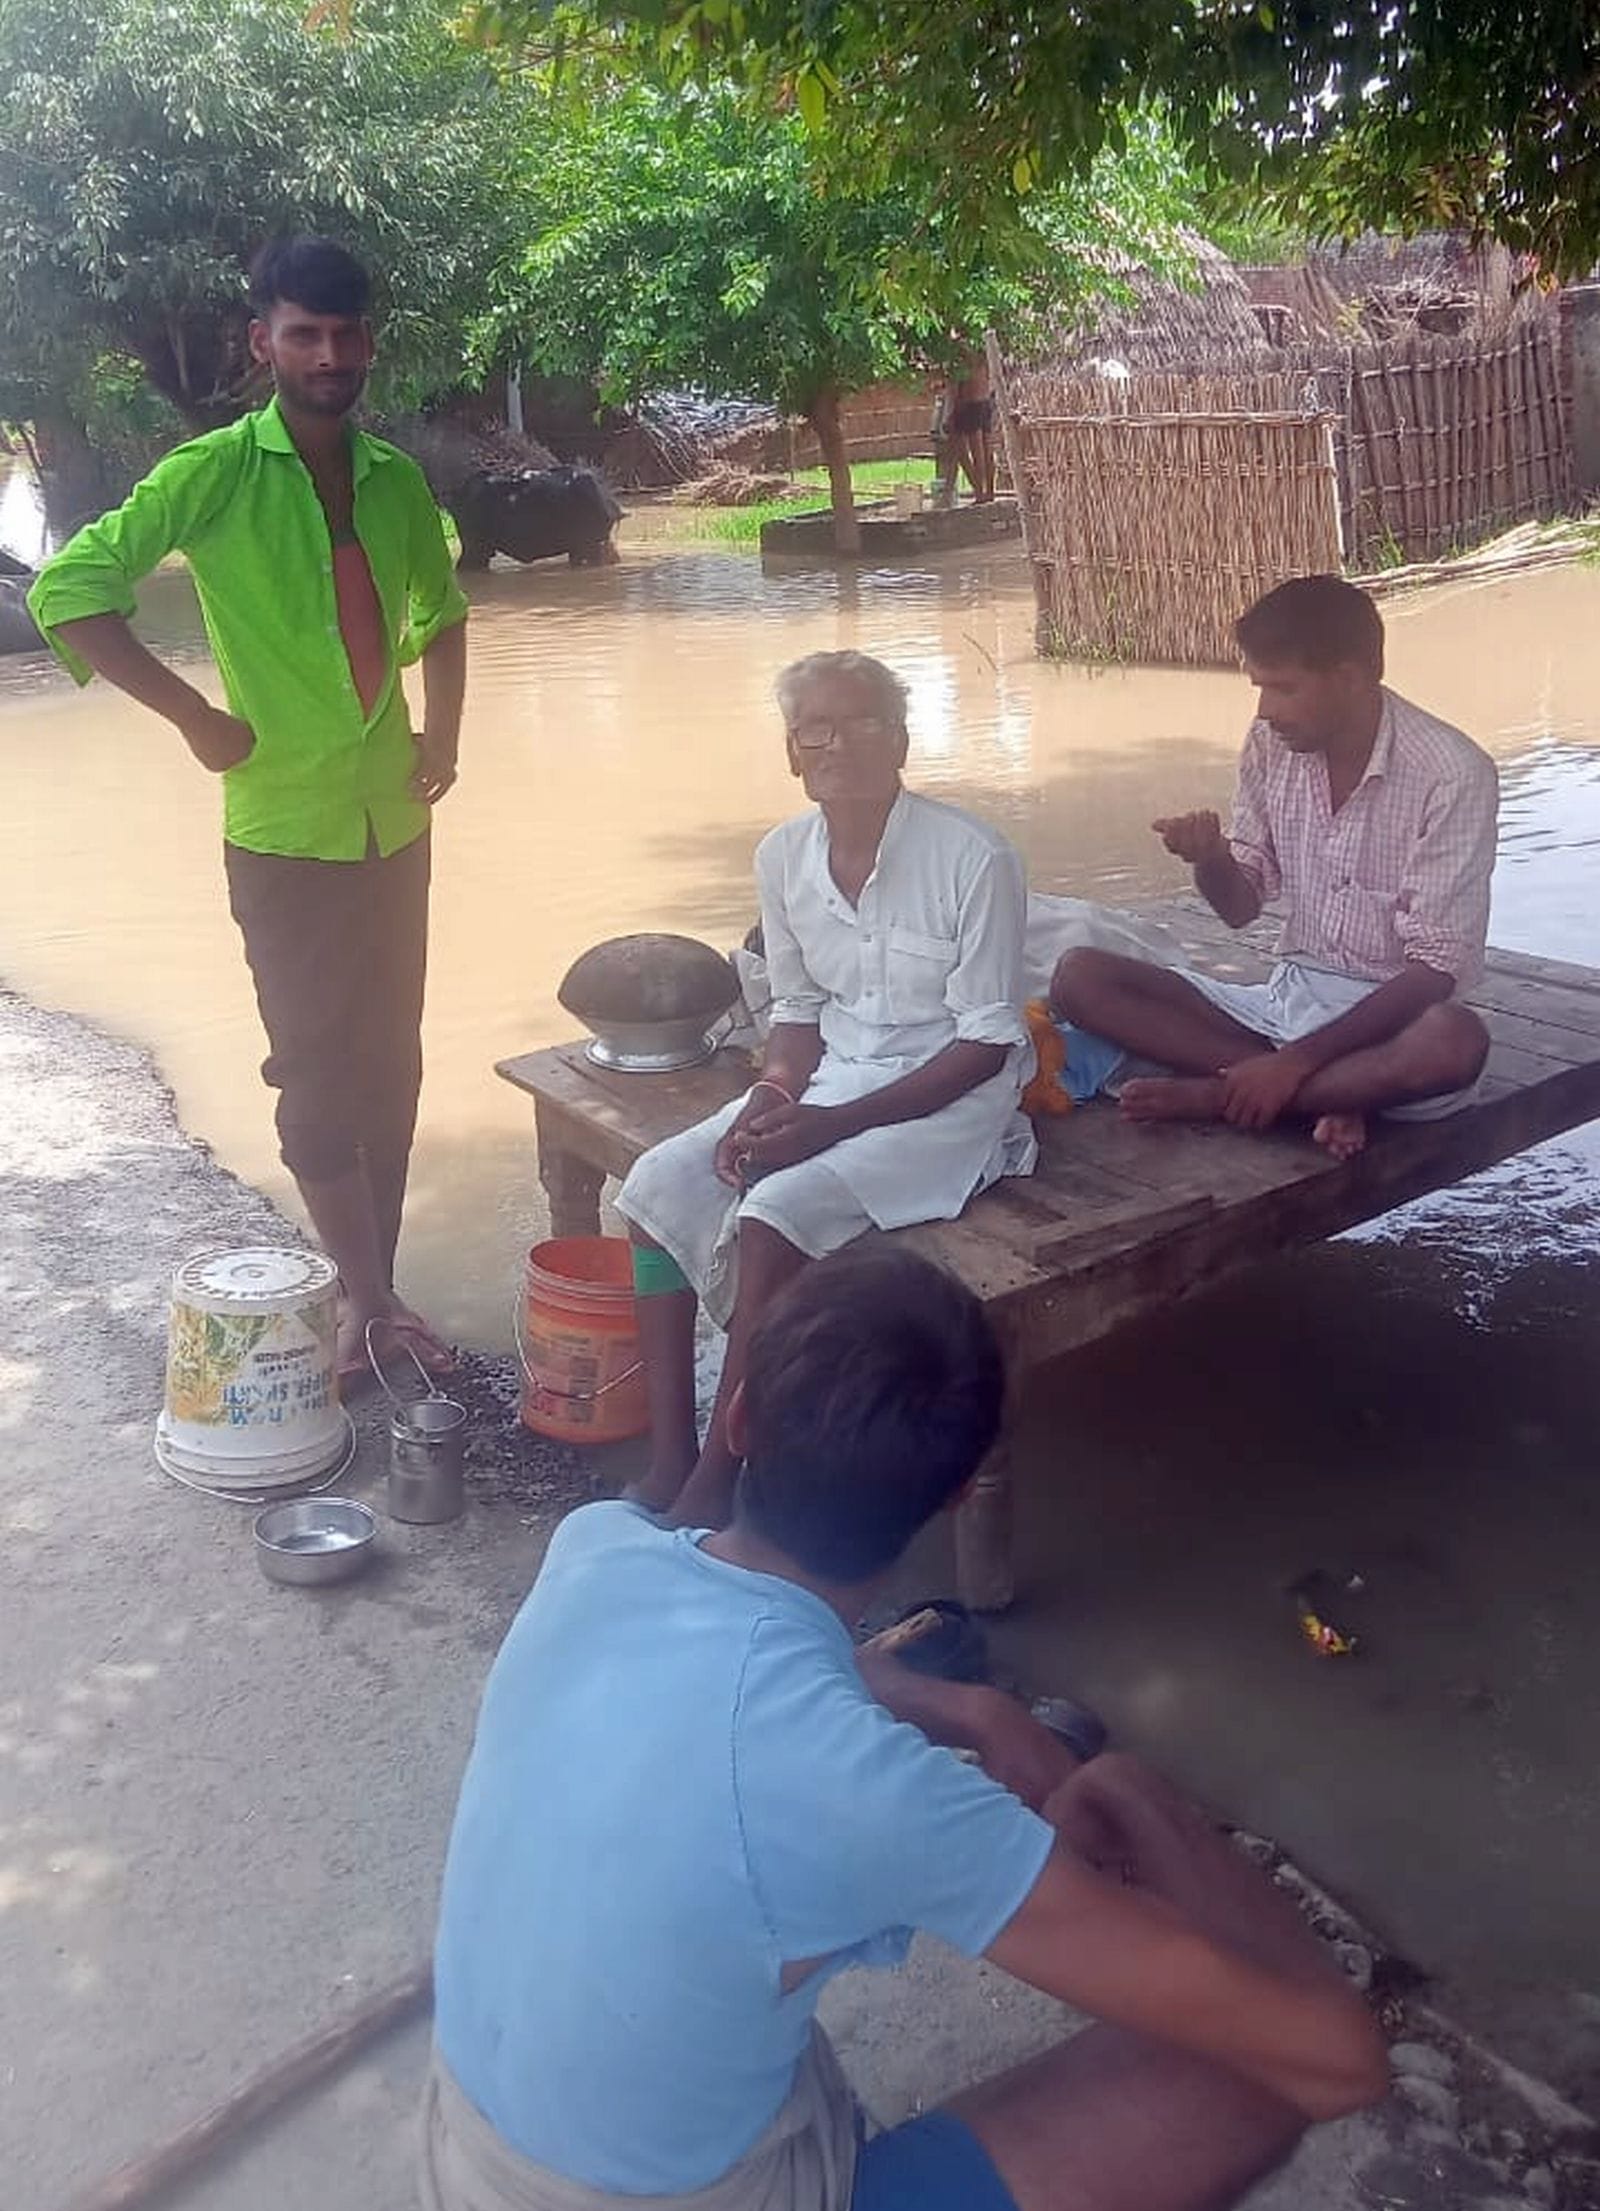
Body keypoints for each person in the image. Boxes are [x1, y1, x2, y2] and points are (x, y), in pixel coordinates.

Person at [425, 1247, 1389, 2211]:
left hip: (468, 2167)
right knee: (1255, 2070)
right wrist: (1137, 1791)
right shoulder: (882, 1797)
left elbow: (750, 1662)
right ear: (961, 1492)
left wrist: (968, 1705)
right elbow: (1338, 2059)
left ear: (740, 1415)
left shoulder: (595, 1549)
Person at [28, 235, 469, 1382]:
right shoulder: (212, 473)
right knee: (315, 1077)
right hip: (282, 834)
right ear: (262, 341)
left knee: (396, 1067)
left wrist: (446, 735)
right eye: (303, 334)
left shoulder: (395, 480)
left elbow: (444, 609)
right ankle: (368, 1306)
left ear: (366, 343)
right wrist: (195, 720)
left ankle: (375, 1292)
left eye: (345, 334)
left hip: (395, 825)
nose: (328, 356)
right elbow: (68, 593)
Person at [615, 650, 1035, 1527]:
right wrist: (772, 1101)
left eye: (865, 723)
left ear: (903, 742)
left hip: (950, 1102)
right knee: (656, 1184)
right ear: (791, 751)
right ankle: (670, 1455)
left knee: (774, 1213)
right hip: (834, 1077)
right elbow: (799, 1015)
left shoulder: (975, 858)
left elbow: (989, 1044)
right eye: (817, 729)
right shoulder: (782, 856)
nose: (838, 743)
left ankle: (720, 1478)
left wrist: (826, 1128)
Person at [1048, 574, 1497, 1161]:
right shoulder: (1270, 744)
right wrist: (1210, 860)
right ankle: (1322, 1095)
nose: (1266, 710)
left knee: (1455, 1043)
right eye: (1260, 688)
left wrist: (1295, 1063)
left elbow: (1435, 971)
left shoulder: (1453, 774)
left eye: (1284, 689)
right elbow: (1240, 908)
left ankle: (1221, 1094)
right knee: (1079, 976)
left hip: (1395, 1022)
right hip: (1286, 1004)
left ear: (1352, 678)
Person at [949, 350, 996, 503]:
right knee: (985, 451)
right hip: (985, 400)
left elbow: (957, 383)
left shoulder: (960, 352)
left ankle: (980, 493)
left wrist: (954, 407)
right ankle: (987, 491)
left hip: (970, 403)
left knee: (975, 452)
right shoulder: (982, 351)